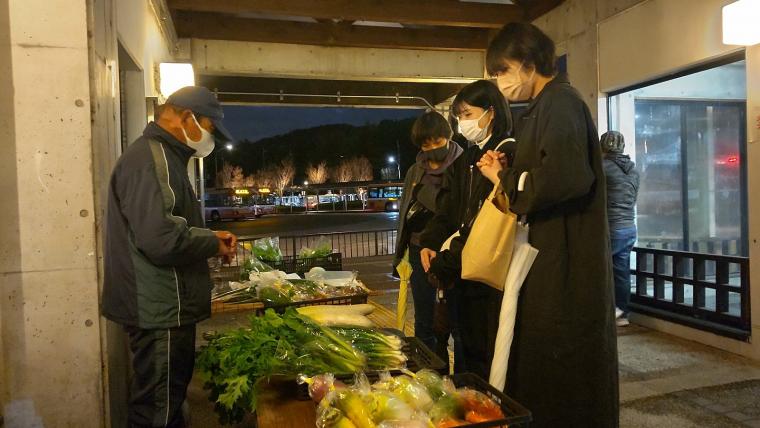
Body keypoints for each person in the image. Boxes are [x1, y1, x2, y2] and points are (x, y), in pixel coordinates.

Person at [477, 22, 619, 427]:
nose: (499, 82)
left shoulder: (561, 102)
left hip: (566, 261)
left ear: (527, 63)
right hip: (550, 255)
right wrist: (511, 170)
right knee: (545, 364)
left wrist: (501, 180)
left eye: (502, 71)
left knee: (562, 367)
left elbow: (563, 176)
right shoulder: (545, 106)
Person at [102, 86, 238, 428]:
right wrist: (211, 243)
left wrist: (211, 237)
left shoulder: (163, 157)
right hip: (159, 308)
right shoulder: (152, 159)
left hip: (163, 306)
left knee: (167, 402)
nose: (210, 138)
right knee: (157, 410)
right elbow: (160, 238)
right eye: (208, 126)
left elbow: (165, 224)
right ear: (184, 117)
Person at [418, 79, 515, 378]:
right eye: (459, 115)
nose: (463, 122)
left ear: (491, 113)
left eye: (468, 114)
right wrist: (430, 240)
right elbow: (449, 207)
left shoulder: (504, 153)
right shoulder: (469, 157)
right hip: (465, 268)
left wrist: (451, 258)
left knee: (484, 349)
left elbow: (486, 218)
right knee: (467, 344)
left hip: (490, 271)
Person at [394, 111, 463, 365]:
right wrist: (399, 255)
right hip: (417, 248)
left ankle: (459, 380)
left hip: (453, 251)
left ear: (448, 136)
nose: (432, 149)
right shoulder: (415, 171)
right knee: (424, 318)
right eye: (426, 145)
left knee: (456, 319)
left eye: (437, 142)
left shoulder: (463, 166)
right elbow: (404, 212)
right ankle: (429, 374)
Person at [600, 131, 639, 327]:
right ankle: (622, 313)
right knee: (621, 271)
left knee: (600, 271)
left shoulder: (602, 167)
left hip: (611, 227)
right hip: (629, 228)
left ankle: (603, 314)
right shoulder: (633, 169)